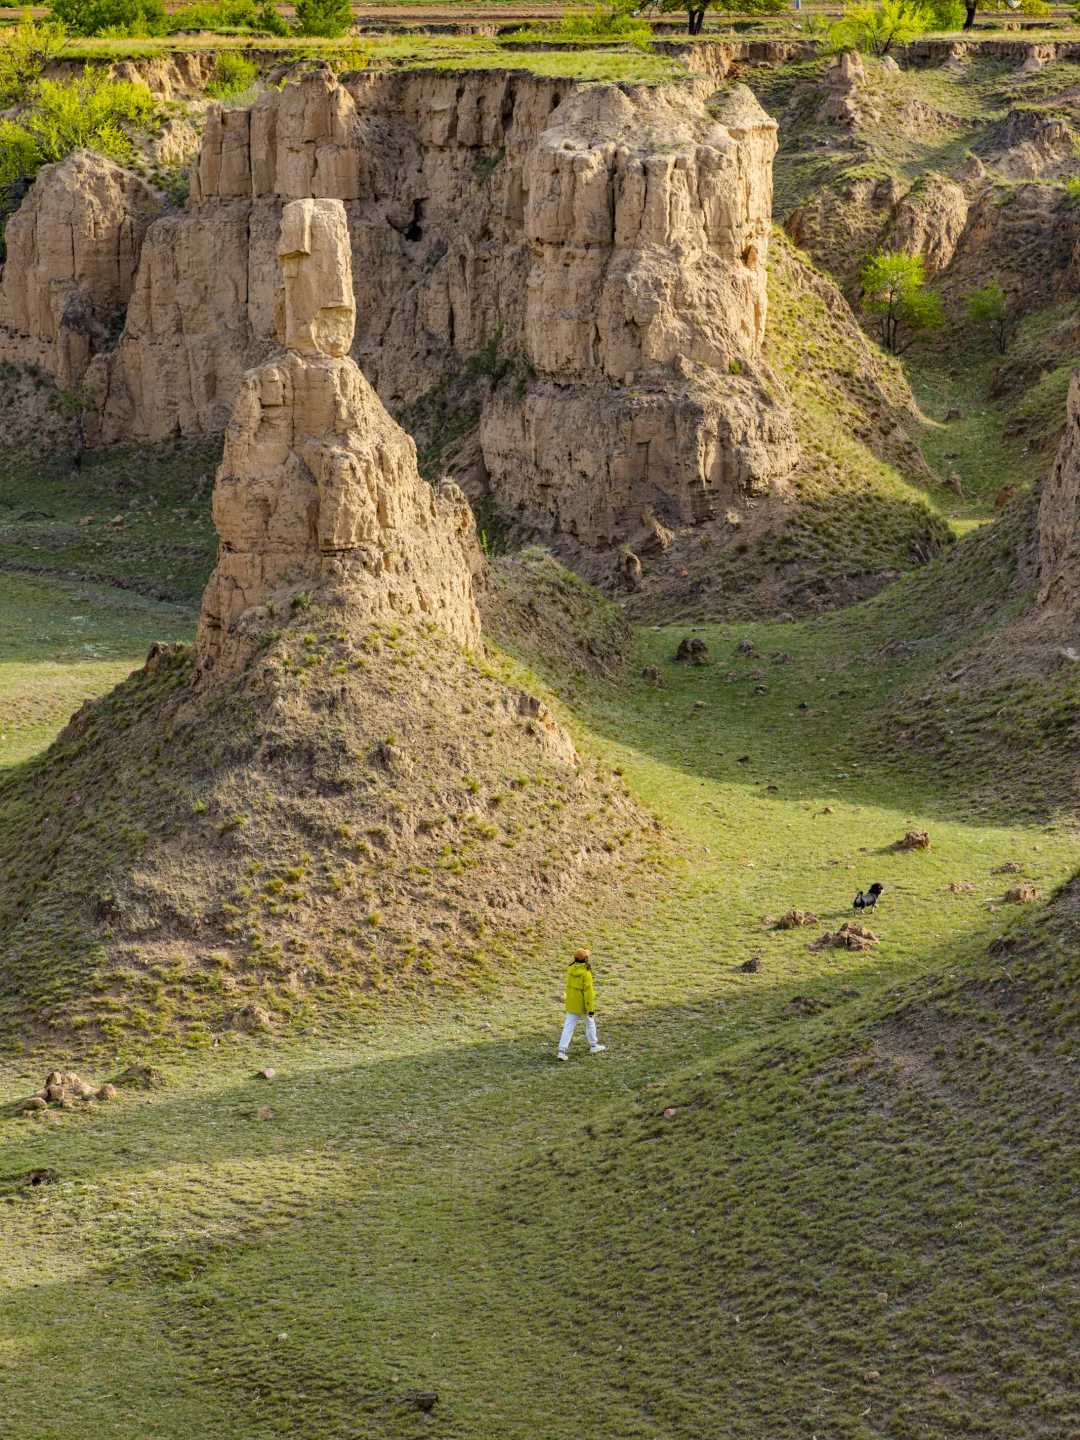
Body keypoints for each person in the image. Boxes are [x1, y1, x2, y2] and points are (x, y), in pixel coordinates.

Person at [557, 948, 606, 1060]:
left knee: (568, 1028)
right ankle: (593, 1045)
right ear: (585, 958)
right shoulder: (586, 974)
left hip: (571, 1004)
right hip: (583, 1006)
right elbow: (588, 993)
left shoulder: (570, 970)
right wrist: (590, 1010)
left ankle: (561, 1051)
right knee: (590, 1024)